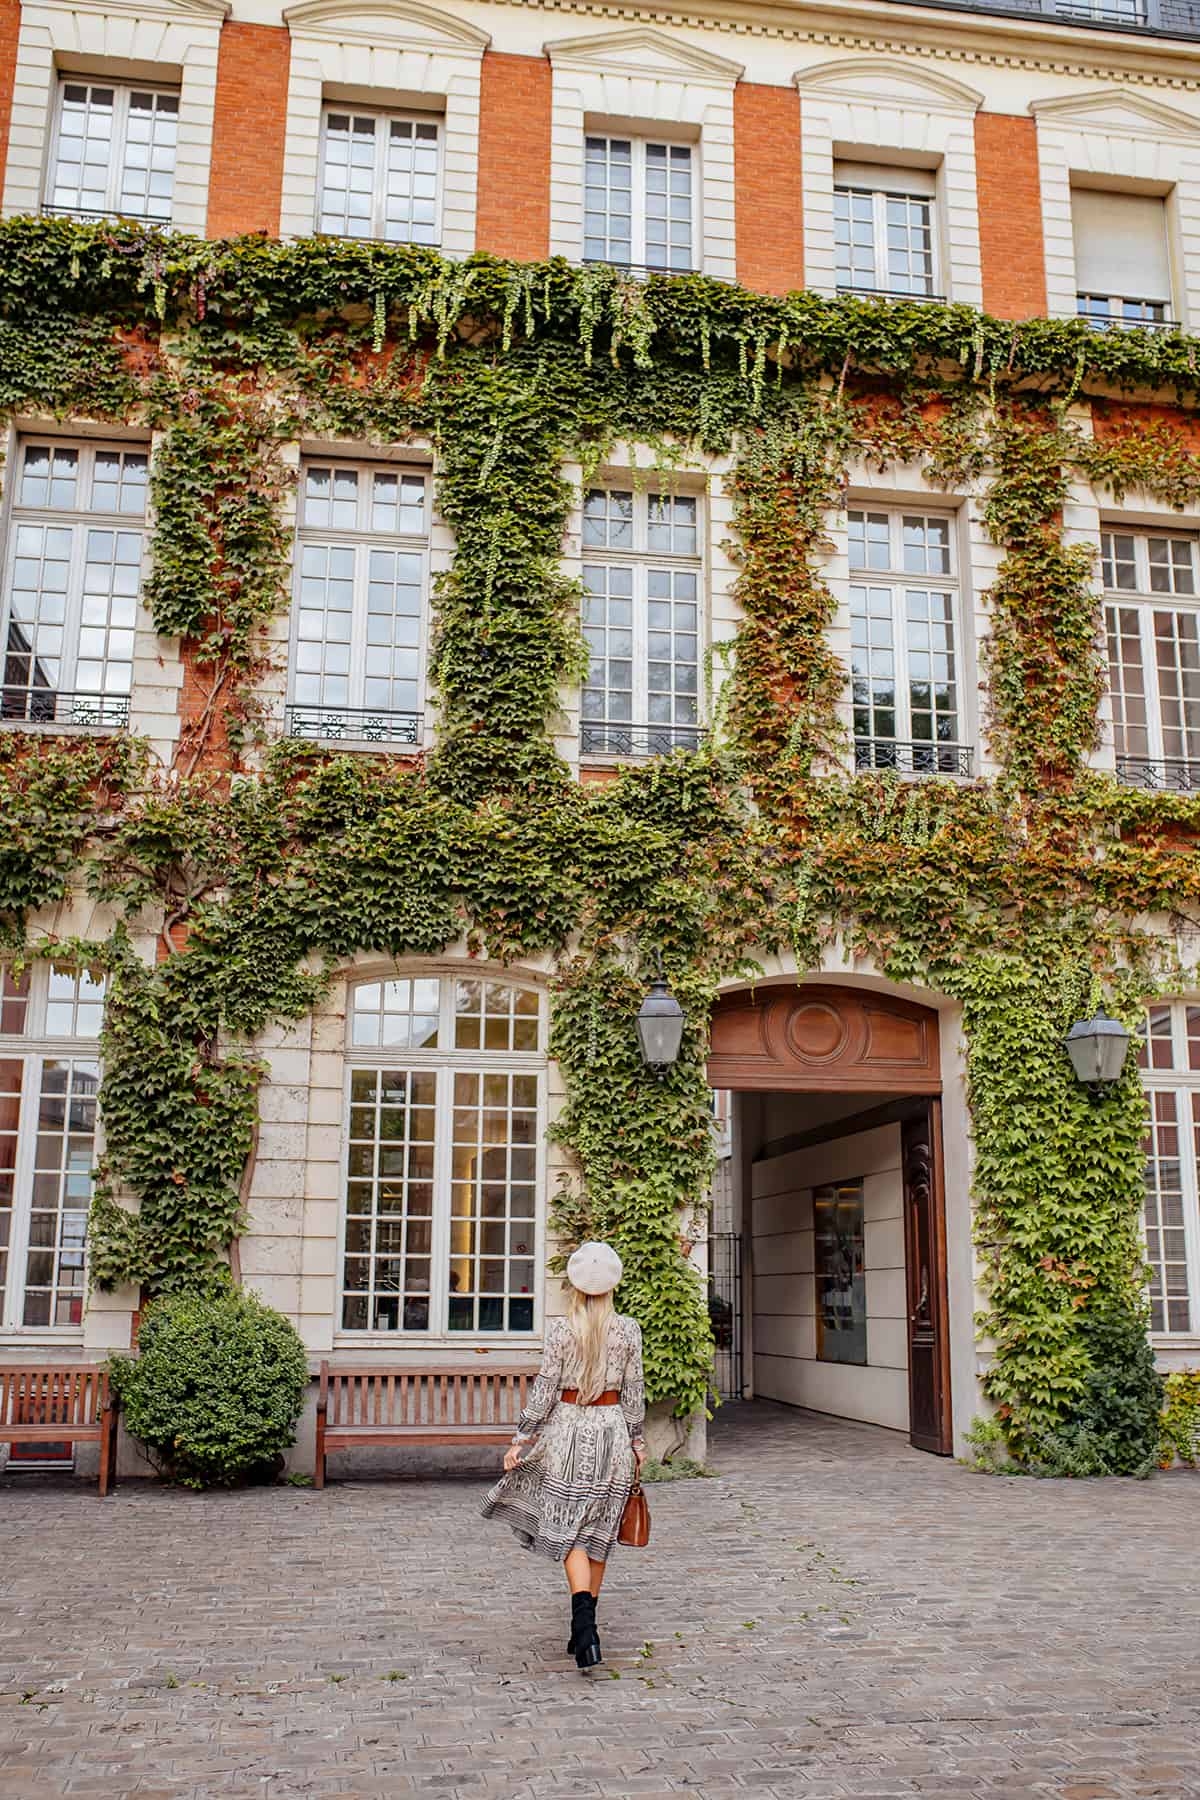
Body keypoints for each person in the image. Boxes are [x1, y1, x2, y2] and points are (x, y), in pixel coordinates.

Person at [480, 1240, 646, 1670]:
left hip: (568, 1431)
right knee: (600, 1531)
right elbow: (633, 1393)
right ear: (613, 1285)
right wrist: (637, 1442)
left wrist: (522, 1436)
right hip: (612, 1432)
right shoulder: (629, 1330)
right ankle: (586, 1629)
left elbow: (546, 1388)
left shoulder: (561, 1329)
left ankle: (583, 1627)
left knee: (571, 1530)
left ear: (574, 1285)